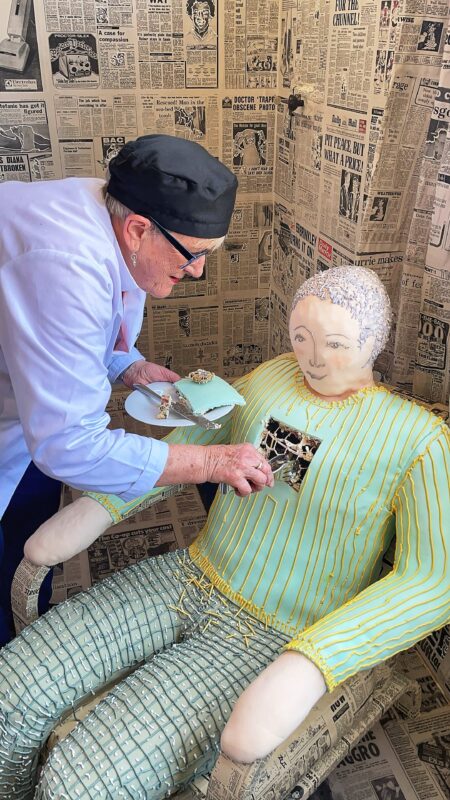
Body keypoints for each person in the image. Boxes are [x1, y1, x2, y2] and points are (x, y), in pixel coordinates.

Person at [0, 266, 448, 799]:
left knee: (81, 783)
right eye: (301, 336)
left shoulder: (420, 440)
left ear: (374, 340)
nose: (312, 358)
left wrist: (313, 661)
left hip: (274, 630)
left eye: (335, 344)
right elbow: (199, 440)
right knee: (11, 692)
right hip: (190, 574)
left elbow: (431, 579)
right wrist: (101, 506)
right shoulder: (275, 375)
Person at [0, 134, 274, 645]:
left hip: (24, 405)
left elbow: (93, 329)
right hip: (21, 410)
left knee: (25, 524)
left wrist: (130, 367)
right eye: (192, 254)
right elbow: (68, 444)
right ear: (138, 230)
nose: (198, 270)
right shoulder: (67, 265)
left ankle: (20, 616)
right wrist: (211, 462)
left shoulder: (115, 213)